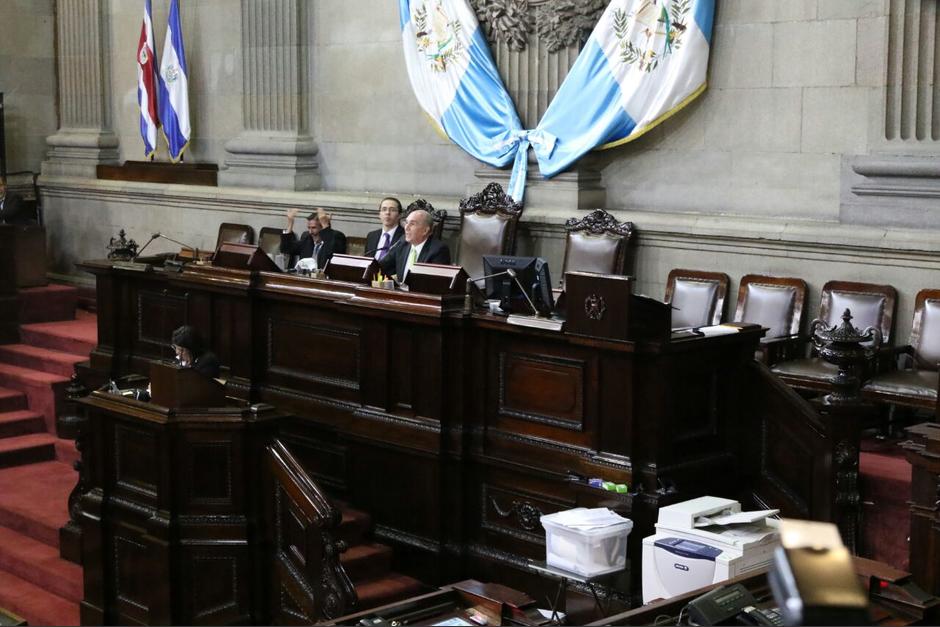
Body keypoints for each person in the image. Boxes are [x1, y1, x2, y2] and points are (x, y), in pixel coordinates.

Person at [378, 206, 450, 284]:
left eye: (412, 224)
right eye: (406, 223)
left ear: (425, 230)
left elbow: (435, 283)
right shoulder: (402, 244)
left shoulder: (438, 250)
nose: (406, 227)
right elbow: (381, 267)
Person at [280, 207, 346, 270]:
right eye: (309, 228)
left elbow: (331, 253)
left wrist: (325, 224)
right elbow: (286, 248)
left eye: (314, 228)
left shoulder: (336, 237)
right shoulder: (307, 238)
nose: (310, 232)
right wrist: (290, 223)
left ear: (322, 228)